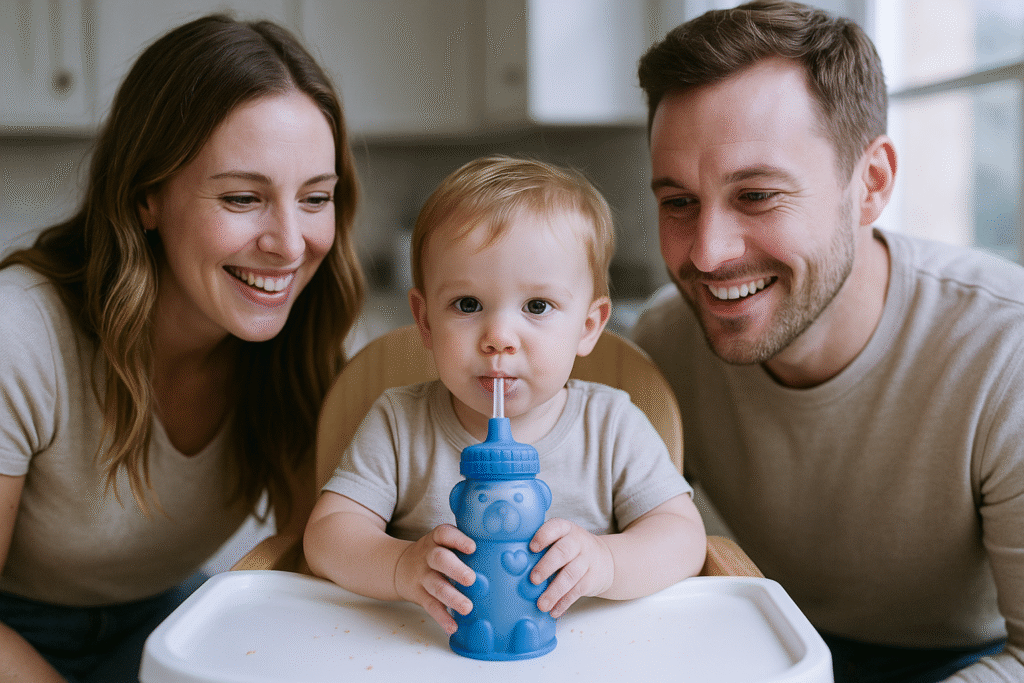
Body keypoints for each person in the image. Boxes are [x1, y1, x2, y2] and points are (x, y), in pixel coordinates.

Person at [633, 2, 1023, 682]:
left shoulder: (1004, 349)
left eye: (756, 195)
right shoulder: (664, 342)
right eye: (678, 202)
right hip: (770, 645)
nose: (708, 253)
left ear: (870, 184)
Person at [0, 14, 364, 682]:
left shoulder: (296, 343)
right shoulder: (18, 336)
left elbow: (308, 558)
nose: (289, 242)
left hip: (158, 616)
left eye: (316, 197)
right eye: (243, 197)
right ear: (146, 196)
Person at [303, 155, 706, 637]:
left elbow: (683, 537)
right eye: (467, 304)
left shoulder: (611, 425)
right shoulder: (398, 423)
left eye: (537, 306)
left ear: (588, 325)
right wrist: (398, 566)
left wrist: (608, 561)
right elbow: (328, 535)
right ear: (426, 320)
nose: (498, 337)